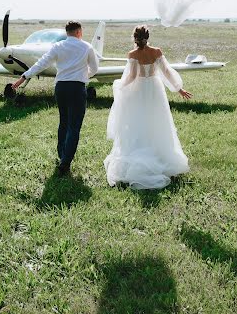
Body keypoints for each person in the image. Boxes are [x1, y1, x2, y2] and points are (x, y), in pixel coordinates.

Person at [104, 25, 192, 189]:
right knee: (157, 120)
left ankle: (141, 149)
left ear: (134, 38)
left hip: (139, 90)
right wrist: (178, 89)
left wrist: (120, 85)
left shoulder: (132, 54)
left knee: (139, 121)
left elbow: (131, 77)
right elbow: (166, 71)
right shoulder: (156, 51)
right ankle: (161, 154)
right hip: (155, 89)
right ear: (147, 37)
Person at [12, 21, 99, 176]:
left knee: (64, 122)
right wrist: (84, 75)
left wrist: (23, 77)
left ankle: (62, 155)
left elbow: (41, 64)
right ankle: (65, 162)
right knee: (74, 126)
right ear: (79, 32)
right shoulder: (87, 47)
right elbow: (95, 68)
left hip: (61, 88)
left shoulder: (58, 47)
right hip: (77, 88)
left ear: (67, 33)